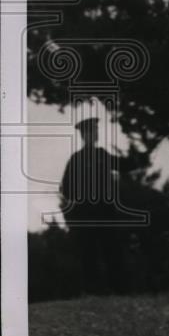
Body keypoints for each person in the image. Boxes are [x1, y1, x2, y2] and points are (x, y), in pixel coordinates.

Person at [60, 116, 127, 294]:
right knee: (88, 253)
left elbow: (124, 166)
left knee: (112, 249)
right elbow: (65, 187)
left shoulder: (102, 154)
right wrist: (82, 199)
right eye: (92, 131)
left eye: (96, 130)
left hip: (106, 210)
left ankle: (118, 289)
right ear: (84, 135)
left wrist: (142, 157)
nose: (96, 133)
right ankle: (93, 292)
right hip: (85, 213)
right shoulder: (75, 159)